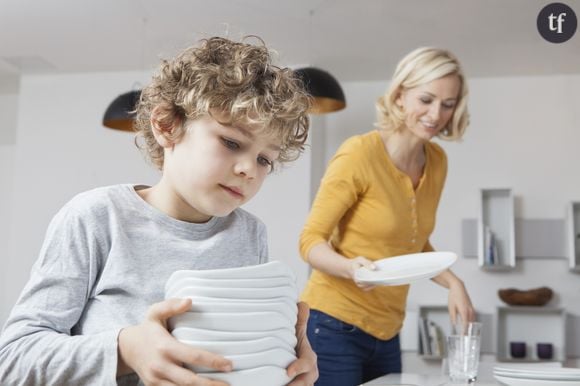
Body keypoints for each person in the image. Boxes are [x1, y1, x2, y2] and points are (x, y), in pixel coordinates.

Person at [0, 36, 318, 386]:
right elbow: (14, 359)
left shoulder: (249, 233)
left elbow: (242, 356)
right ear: (167, 125)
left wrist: (287, 358)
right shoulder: (97, 217)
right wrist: (125, 349)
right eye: (231, 142)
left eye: (264, 159)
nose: (249, 170)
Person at [299, 47, 475, 386]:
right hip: (333, 324)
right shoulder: (359, 154)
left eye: (448, 104)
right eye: (426, 99)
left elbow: (414, 243)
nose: (436, 113)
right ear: (399, 97)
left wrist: (455, 283)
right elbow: (310, 242)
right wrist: (351, 268)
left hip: (388, 331)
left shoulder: (437, 161)